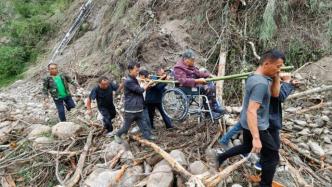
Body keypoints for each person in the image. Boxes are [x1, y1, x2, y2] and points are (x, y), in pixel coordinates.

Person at [215, 49, 285, 187]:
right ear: (266, 63)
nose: (280, 69)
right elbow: (252, 111)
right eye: (278, 66)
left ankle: (220, 157)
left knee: (247, 146)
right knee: (272, 157)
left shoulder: (256, 76)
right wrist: (257, 138)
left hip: (248, 123)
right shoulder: (261, 84)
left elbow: (275, 94)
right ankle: (264, 184)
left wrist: (277, 75)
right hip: (257, 125)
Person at [173, 49, 224, 119]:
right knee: (207, 89)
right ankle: (208, 113)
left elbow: (198, 73)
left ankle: (214, 106)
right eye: (192, 60)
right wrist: (197, 80)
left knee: (211, 85)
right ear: (186, 60)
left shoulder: (190, 65)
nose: (193, 62)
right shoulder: (178, 68)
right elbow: (183, 81)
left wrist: (209, 75)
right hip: (184, 87)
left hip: (193, 85)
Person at [114, 61, 156, 143]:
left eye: (138, 70)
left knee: (143, 124)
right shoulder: (128, 81)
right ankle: (117, 134)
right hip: (131, 109)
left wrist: (148, 85)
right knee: (126, 127)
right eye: (136, 70)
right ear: (130, 70)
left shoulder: (134, 79)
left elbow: (139, 90)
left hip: (138, 107)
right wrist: (148, 83)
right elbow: (140, 90)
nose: (138, 72)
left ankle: (148, 136)